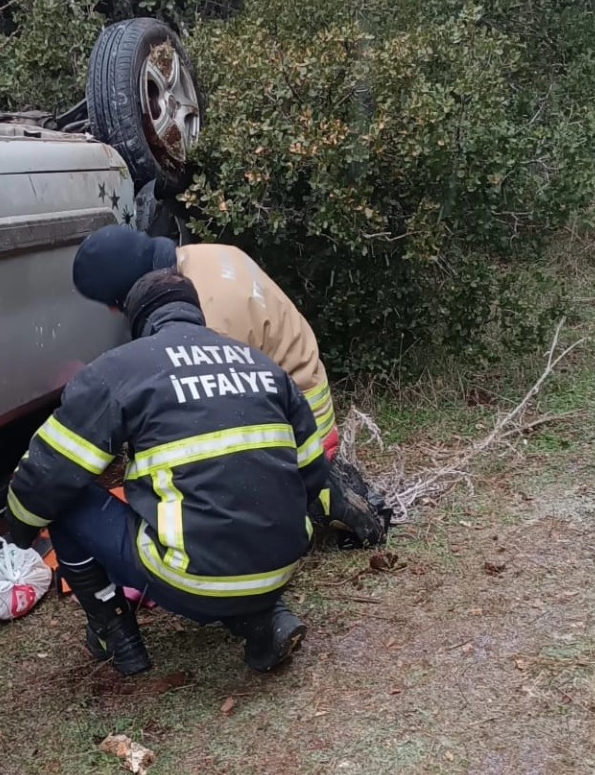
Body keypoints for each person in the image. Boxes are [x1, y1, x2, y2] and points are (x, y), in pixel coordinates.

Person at [4, 270, 327, 673]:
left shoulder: (121, 369)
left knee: (64, 502)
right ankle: (262, 618)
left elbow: (46, 475)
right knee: (231, 521)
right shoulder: (261, 364)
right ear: (195, 312)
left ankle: (115, 635)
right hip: (282, 561)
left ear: (138, 321)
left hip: (194, 577)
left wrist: (19, 527)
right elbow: (313, 472)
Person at [71, 224, 389, 547]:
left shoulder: (207, 318)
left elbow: (206, 413)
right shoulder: (204, 257)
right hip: (303, 398)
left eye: (113, 302)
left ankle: (326, 496)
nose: (113, 311)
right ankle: (319, 485)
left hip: (296, 428)